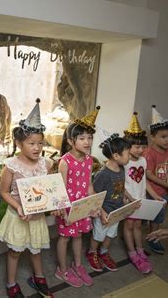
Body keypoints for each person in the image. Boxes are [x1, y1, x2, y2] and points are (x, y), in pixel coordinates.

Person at [0, 99, 54, 298]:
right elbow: (3, 192)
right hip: (18, 217)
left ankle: (39, 278)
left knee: (36, 249)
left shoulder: (47, 164)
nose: (37, 148)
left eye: (40, 143)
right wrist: (18, 207)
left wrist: (55, 204)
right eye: (31, 143)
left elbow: (49, 189)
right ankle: (11, 283)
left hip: (37, 217)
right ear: (19, 143)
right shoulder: (11, 166)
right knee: (15, 252)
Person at [55, 106, 100, 288]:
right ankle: (62, 269)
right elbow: (60, 188)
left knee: (79, 235)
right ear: (71, 141)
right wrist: (63, 210)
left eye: (89, 138)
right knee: (65, 238)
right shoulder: (65, 162)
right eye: (82, 138)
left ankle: (78, 265)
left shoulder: (89, 160)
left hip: (83, 205)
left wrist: (95, 204)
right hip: (68, 207)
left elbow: (88, 185)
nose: (87, 142)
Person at [86, 133, 136, 273]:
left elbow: (121, 187)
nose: (130, 157)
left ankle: (104, 252)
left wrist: (130, 198)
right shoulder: (103, 174)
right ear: (116, 155)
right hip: (104, 211)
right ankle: (91, 252)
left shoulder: (122, 169)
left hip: (117, 210)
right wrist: (101, 212)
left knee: (110, 234)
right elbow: (94, 195)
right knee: (98, 235)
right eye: (128, 154)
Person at [122, 112, 162, 274]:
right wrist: (130, 198)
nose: (140, 150)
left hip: (141, 199)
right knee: (129, 224)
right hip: (128, 200)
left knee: (138, 224)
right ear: (127, 147)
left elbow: (144, 182)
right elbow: (120, 184)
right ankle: (132, 253)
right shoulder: (124, 162)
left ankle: (140, 249)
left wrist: (155, 195)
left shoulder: (143, 161)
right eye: (137, 147)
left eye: (143, 146)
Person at [143, 105, 168, 254]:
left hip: (164, 192)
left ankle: (153, 238)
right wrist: (167, 185)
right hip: (150, 191)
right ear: (152, 136)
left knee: (158, 217)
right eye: (163, 137)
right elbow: (149, 174)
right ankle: (132, 232)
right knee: (144, 214)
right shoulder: (149, 153)